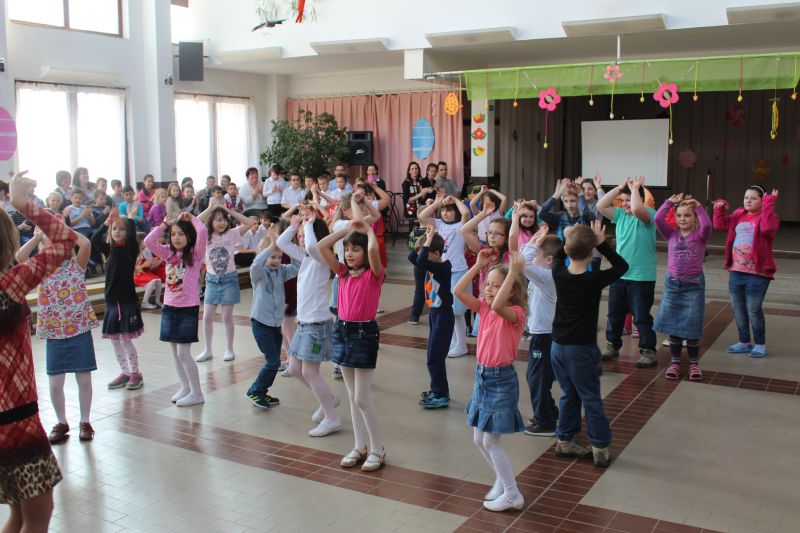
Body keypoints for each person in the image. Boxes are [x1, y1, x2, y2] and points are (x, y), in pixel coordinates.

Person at [0, 172, 76, 533]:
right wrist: (23, 204)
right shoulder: (9, 285)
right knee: (37, 517)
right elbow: (64, 240)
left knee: (18, 516)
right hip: (17, 422)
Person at [454, 249, 528, 512]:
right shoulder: (484, 307)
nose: (489, 289)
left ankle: (512, 494)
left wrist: (514, 273)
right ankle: (502, 480)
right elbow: (458, 291)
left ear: (511, 290)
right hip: (482, 376)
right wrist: (478, 266)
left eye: (497, 285)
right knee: (478, 439)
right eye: (488, 284)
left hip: (501, 381)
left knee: (489, 441)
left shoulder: (516, 313)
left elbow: (499, 306)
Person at [551, 221, 628, 468]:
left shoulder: (558, 274)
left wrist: (567, 237)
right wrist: (602, 244)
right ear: (591, 252)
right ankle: (600, 447)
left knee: (569, 393)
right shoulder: (594, 279)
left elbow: (557, 257)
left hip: (557, 346)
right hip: (581, 349)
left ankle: (565, 440)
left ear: (567, 249)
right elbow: (622, 266)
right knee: (591, 397)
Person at [317, 214, 386, 471]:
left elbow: (374, 251)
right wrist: (346, 230)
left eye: (355, 249)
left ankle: (377, 449)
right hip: (342, 331)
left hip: (364, 334)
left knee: (362, 398)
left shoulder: (374, 274)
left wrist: (368, 230)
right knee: (351, 396)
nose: (349, 254)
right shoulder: (343, 273)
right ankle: (359, 446)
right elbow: (322, 246)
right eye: (347, 249)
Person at [17, 226, 98, 444]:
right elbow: (20, 256)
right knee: (54, 384)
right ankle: (61, 422)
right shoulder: (40, 270)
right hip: (54, 334)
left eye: (59, 241)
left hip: (79, 331)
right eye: (49, 242)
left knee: (84, 380)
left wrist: (62, 229)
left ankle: (85, 421)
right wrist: (37, 237)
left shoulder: (76, 266)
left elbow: (86, 244)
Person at [276, 212, 342, 436]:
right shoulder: (304, 257)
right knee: (295, 369)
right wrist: (294, 226)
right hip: (303, 323)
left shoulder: (320, 256)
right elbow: (281, 243)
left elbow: (314, 246)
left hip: (317, 324)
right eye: (300, 237)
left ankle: (332, 418)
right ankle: (328, 399)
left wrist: (310, 225)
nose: (302, 240)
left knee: (310, 372)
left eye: (305, 236)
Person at [144, 212, 208, 406]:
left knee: (183, 353)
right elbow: (148, 241)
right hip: (169, 308)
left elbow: (203, 231)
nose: (176, 238)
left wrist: (192, 218)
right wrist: (164, 225)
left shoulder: (195, 254)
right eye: (173, 234)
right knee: (175, 353)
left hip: (188, 309)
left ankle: (197, 393)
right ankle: (185, 387)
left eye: (181, 234)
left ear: (189, 236)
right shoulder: (168, 253)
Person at [596, 177, 658, 367]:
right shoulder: (620, 215)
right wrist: (619, 188)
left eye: (628, 200)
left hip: (642, 277)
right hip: (620, 275)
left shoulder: (648, 213)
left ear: (639, 199)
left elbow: (638, 209)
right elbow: (600, 205)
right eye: (622, 201)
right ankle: (612, 345)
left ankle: (648, 350)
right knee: (614, 314)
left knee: (641, 316)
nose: (625, 204)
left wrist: (635, 189)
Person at [713, 185, 780, 357]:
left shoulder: (769, 217)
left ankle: (760, 344)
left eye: (754, 198)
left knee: (753, 310)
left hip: (758, 274)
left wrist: (769, 203)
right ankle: (744, 342)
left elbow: (767, 228)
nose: (748, 200)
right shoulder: (738, 215)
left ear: (762, 201)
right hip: (736, 272)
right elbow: (719, 225)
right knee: (738, 309)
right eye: (746, 197)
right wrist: (720, 209)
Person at [654, 195, 711, 380]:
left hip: (693, 286)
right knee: (674, 326)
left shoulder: (700, 235)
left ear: (695, 218)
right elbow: (657, 219)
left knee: (692, 327)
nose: (683, 219)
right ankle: (675, 362)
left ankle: (694, 364)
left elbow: (707, 225)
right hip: (673, 285)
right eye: (679, 215)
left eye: (687, 215)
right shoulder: (671, 234)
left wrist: (699, 206)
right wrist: (669, 203)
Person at [246, 225, 300, 409]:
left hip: (275, 325)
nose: (276, 260)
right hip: (260, 324)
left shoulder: (281, 271)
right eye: (272, 256)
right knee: (273, 361)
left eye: (278, 257)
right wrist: (270, 246)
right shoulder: (258, 274)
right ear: (264, 255)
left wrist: (287, 244)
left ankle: (262, 392)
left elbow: (297, 266)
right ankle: (254, 391)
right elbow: (255, 264)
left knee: (274, 362)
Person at [514, 223, 560, 437]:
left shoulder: (547, 277)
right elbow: (524, 259)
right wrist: (534, 242)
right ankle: (549, 412)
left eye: (537, 256)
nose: (533, 259)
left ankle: (545, 422)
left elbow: (522, 263)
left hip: (545, 336)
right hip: (542, 334)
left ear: (549, 260)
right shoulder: (544, 276)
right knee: (540, 377)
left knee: (537, 378)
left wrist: (534, 241)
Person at [195, 201, 256, 362]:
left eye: (224, 219)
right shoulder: (205, 235)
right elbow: (193, 223)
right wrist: (210, 208)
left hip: (229, 280)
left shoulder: (232, 233)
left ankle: (229, 349)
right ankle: (208, 350)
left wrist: (229, 210)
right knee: (207, 317)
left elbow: (250, 222)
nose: (222, 223)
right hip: (211, 281)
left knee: (227, 317)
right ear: (211, 221)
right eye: (218, 219)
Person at [92, 210, 146, 390]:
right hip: (111, 302)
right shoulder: (109, 250)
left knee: (125, 340)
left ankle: (136, 373)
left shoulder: (131, 249)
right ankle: (125, 372)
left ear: (128, 232)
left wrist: (128, 217)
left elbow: (131, 231)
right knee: (115, 340)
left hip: (127, 301)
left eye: (122, 229)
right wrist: (107, 222)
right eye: (115, 229)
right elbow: (95, 239)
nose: (117, 232)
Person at [409, 225, 454, 409]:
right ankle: (438, 389)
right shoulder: (431, 262)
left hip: (444, 316)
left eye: (426, 253)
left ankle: (441, 394)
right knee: (432, 354)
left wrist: (428, 240)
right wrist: (426, 239)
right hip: (435, 314)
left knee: (435, 356)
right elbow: (413, 257)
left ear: (436, 254)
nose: (422, 257)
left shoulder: (443, 267)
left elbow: (420, 259)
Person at [133, 232, 165, 310]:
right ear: (139, 241)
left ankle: (157, 301)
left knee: (158, 280)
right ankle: (144, 302)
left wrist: (152, 263)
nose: (147, 242)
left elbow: (150, 268)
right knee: (152, 281)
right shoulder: (135, 252)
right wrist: (144, 265)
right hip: (137, 274)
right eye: (144, 240)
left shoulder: (147, 250)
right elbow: (133, 269)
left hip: (146, 272)